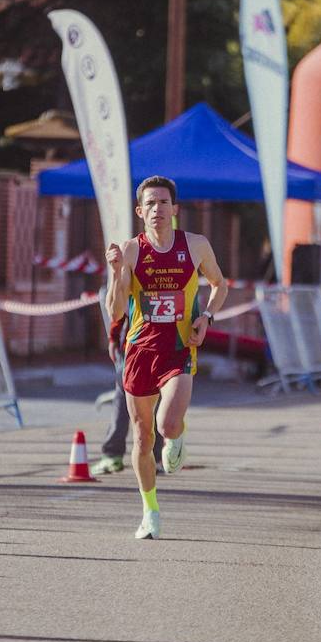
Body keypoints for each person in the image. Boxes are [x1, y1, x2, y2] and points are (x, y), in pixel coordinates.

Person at [106, 175, 227, 540]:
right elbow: (115, 312)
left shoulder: (196, 246)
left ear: (175, 209)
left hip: (178, 347)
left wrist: (206, 317)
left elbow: (220, 284)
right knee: (142, 437)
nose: (157, 209)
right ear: (140, 211)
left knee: (167, 425)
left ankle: (178, 435)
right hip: (140, 349)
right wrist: (116, 273)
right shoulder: (131, 250)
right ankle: (150, 510)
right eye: (150, 204)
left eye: (164, 203)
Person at [91, 313, 163, 476]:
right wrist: (114, 337)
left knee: (138, 400)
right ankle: (116, 454)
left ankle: (151, 457)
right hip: (141, 348)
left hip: (154, 348)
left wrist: (114, 337)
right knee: (127, 396)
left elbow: (119, 306)